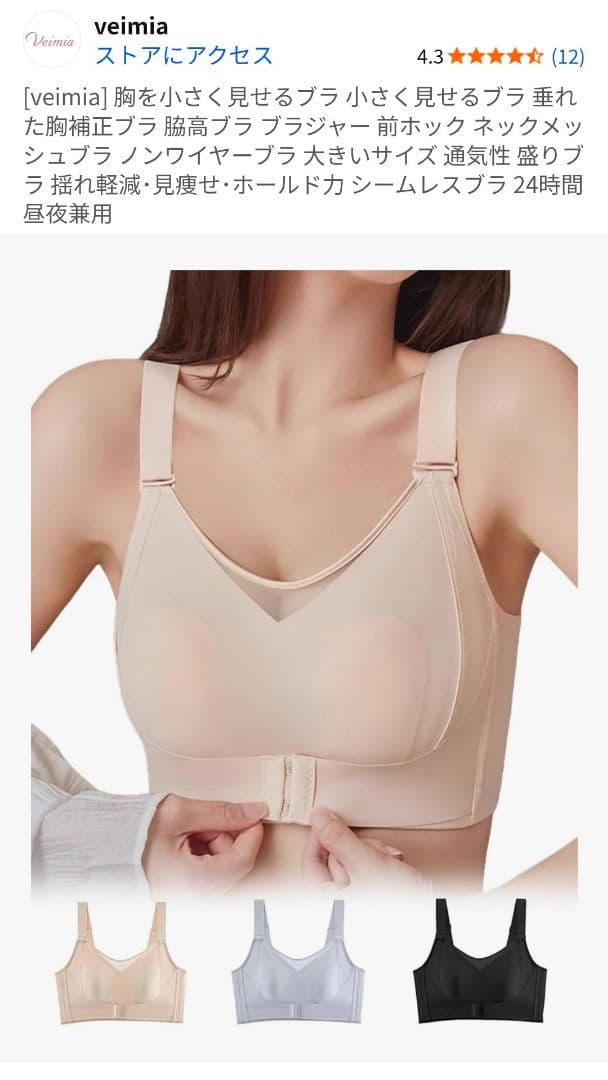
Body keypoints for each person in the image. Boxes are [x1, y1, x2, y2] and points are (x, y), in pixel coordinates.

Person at [32, 271, 577, 891]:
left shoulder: (506, 407)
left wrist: (464, 932)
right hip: (168, 959)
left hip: (415, 964)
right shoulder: (100, 427)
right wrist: (113, 844)